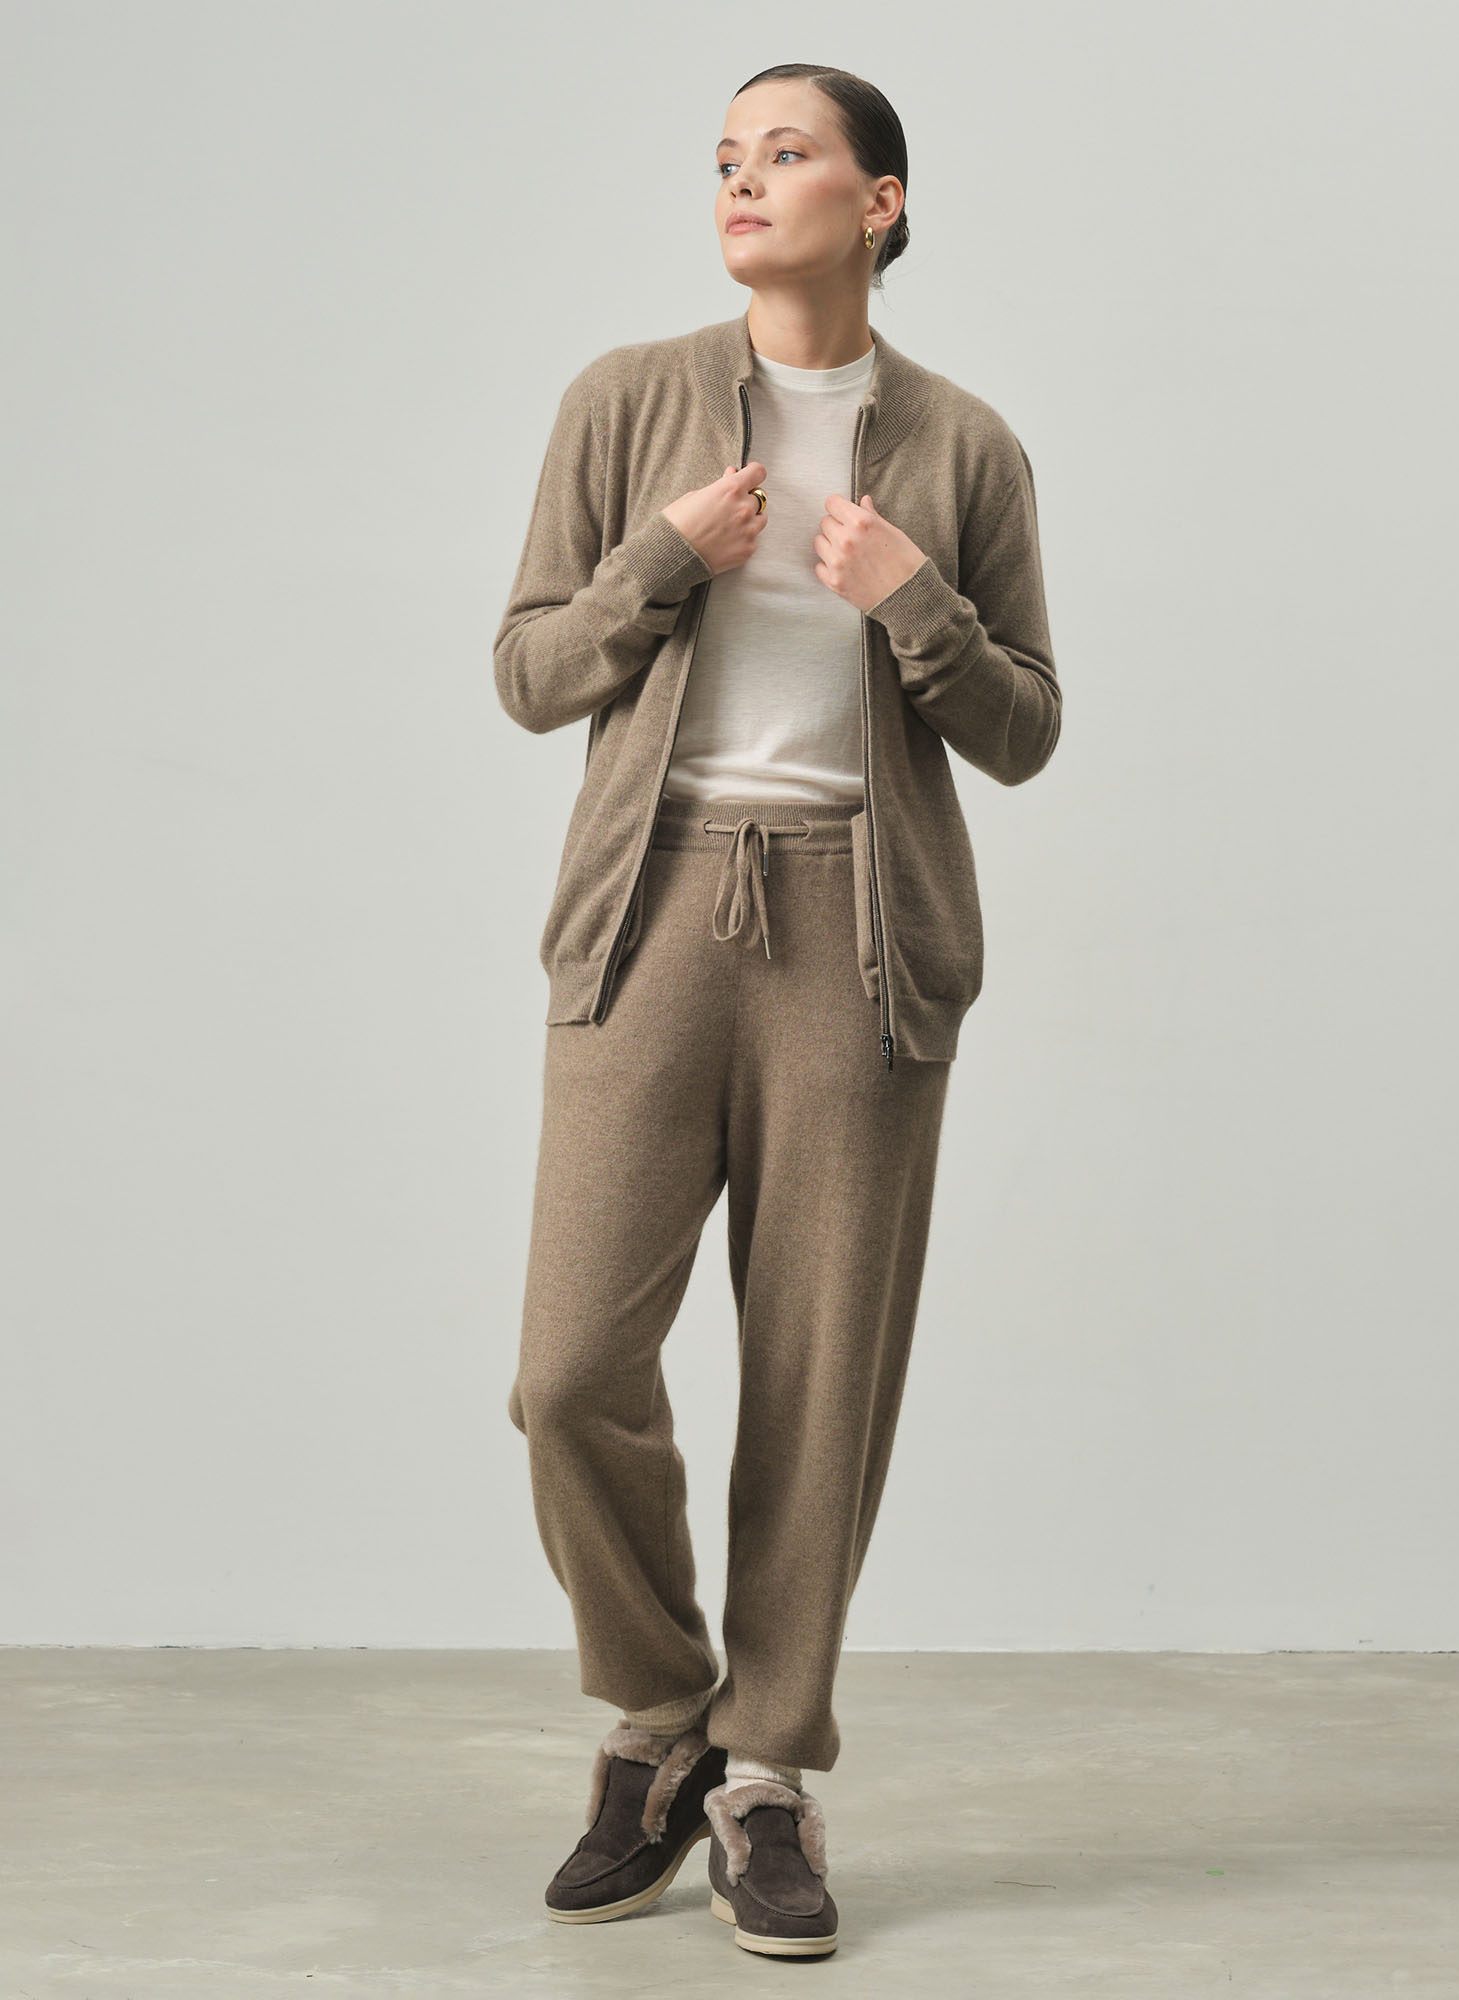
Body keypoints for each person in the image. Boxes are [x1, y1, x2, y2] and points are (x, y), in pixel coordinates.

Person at [491, 61, 1060, 1960]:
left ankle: (763, 1778)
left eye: (787, 152)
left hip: (864, 939)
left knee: (820, 1387)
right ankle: (662, 1713)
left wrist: (915, 602)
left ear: (879, 203)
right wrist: (662, 562)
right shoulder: (625, 400)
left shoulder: (966, 446)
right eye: (726, 158)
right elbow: (528, 672)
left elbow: (1025, 728)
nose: (743, 180)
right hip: (648, 919)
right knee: (569, 1371)